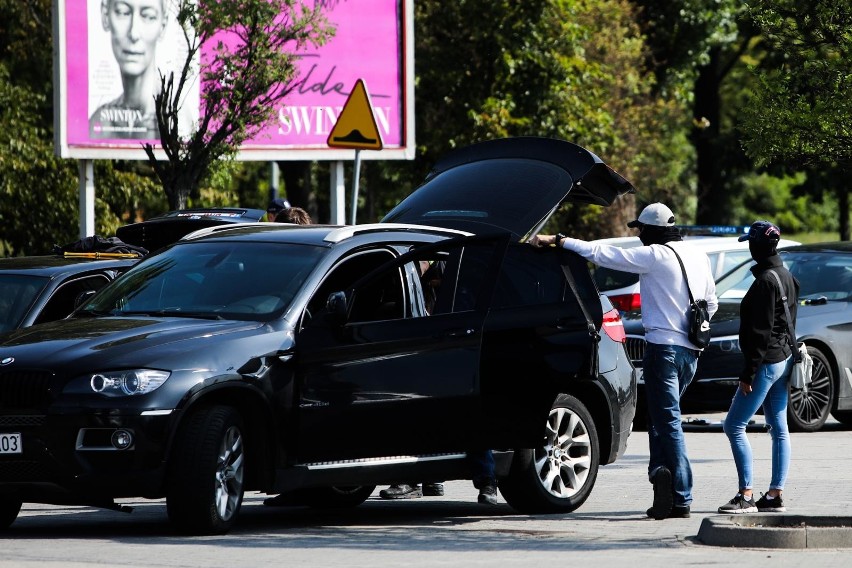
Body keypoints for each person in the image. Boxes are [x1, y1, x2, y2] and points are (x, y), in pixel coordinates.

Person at [530, 202, 718, 520]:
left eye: (641, 230)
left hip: (664, 352)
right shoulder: (697, 255)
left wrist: (560, 241)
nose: (639, 235)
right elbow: (710, 303)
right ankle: (663, 484)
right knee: (661, 420)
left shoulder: (655, 256)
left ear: (653, 231)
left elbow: (604, 255)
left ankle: (682, 495)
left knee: (668, 423)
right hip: (692, 353)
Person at [717, 221, 797, 514]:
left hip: (766, 363)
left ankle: (746, 494)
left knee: (734, 425)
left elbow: (760, 333)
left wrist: (748, 374)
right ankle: (775, 495)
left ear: (757, 247)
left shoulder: (765, 281)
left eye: (750, 243)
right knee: (779, 427)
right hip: (783, 359)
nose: (748, 248)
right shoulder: (786, 275)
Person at [89, 0, 169, 139]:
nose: (134, 33)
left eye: (148, 16)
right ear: (105, 15)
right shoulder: (99, 122)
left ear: (163, 25)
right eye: (122, 12)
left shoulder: (175, 119)